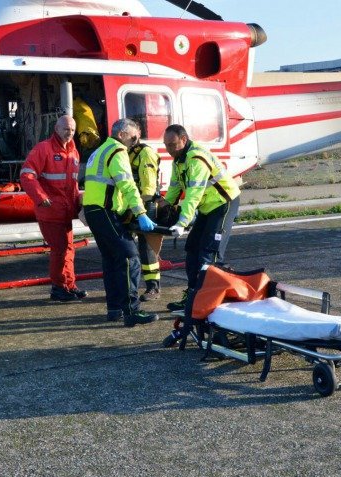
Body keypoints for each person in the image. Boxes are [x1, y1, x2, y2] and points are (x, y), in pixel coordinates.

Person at [82, 118, 159, 327]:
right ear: (122, 134)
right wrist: (141, 213)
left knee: (111, 259)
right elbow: (127, 184)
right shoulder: (117, 151)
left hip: (94, 211)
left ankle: (114, 309)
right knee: (129, 257)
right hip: (104, 210)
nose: (135, 142)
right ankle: (131, 311)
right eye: (134, 137)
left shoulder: (99, 151)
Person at [162, 124, 241, 312]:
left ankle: (208, 301)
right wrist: (165, 206)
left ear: (184, 139)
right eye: (166, 145)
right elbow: (175, 188)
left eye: (172, 144)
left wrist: (182, 222)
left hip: (223, 204)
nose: (169, 149)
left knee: (209, 253)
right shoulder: (179, 160)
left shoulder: (196, 159)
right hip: (208, 207)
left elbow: (193, 195)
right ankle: (192, 295)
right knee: (192, 248)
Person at [20, 115, 86, 302]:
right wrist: (41, 198)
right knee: (60, 249)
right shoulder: (43, 149)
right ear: (56, 129)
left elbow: (71, 185)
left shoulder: (73, 152)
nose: (70, 133)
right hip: (50, 211)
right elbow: (27, 175)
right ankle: (58, 287)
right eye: (66, 129)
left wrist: (77, 205)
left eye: (72, 130)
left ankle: (69, 285)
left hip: (65, 211)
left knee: (69, 249)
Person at [128, 141, 163, 301]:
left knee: (147, 246)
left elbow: (148, 186)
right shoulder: (127, 152)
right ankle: (130, 287)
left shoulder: (145, 153)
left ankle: (153, 287)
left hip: (145, 203)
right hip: (131, 203)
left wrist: (141, 209)